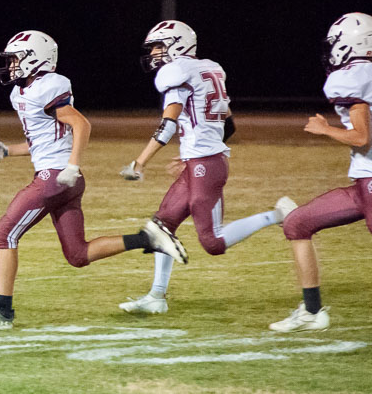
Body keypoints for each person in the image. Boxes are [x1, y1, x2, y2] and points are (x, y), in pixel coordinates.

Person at [0, 31, 188, 330]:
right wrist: (9, 151)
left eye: (16, 58)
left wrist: (72, 166)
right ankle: (149, 238)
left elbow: (81, 124)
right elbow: (44, 139)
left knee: (4, 234)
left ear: (35, 59)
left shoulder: (48, 86)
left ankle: (2, 311)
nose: (11, 65)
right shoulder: (21, 93)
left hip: (55, 178)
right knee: (78, 254)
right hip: (62, 179)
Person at [117, 20, 297, 314]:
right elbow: (229, 122)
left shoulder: (178, 75)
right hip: (202, 162)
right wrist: (195, 154)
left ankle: (278, 214)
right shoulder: (209, 69)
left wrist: (139, 163)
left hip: (206, 166)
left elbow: (167, 127)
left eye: (159, 47)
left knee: (212, 242)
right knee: (162, 226)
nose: (154, 54)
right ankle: (156, 297)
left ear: (176, 44)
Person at [269, 12, 372, 332]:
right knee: (298, 222)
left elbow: (361, 137)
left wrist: (325, 129)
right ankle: (312, 312)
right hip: (362, 183)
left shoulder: (355, 78)